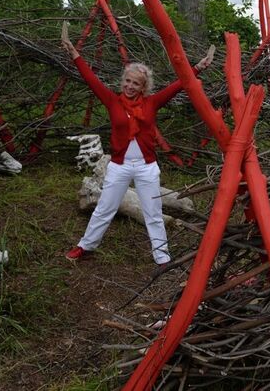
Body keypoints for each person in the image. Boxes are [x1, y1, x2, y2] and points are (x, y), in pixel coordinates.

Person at [61, 22, 214, 266]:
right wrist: (74, 53)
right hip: (119, 166)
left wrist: (199, 68)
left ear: (144, 87)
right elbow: (90, 79)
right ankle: (85, 246)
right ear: (123, 81)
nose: (130, 86)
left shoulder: (151, 103)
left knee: (152, 213)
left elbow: (179, 85)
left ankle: (162, 257)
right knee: (104, 209)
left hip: (146, 167)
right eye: (128, 81)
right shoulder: (112, 101)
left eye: (136, 83)